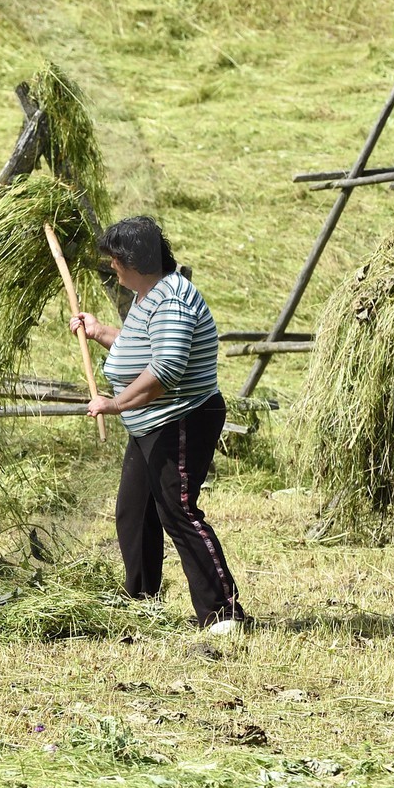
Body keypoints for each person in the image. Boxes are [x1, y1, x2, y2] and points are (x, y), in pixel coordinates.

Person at [69, 216, 245, 633]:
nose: (112, 266)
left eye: (115, 260)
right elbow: (140, 344)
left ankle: (224, 612)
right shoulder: (152, 295)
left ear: (134, 260)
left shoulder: (173, 300)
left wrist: (115, 403)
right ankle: (141, 598)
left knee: (178, 512)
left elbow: (165, 369)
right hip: (150, 423)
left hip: (181, 419)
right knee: (134, 512)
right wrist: (100, 331)